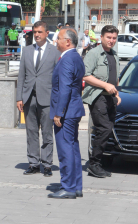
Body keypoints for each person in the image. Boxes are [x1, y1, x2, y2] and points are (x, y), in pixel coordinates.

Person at [16, 21, 61, 177]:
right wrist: (19, 97)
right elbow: (21, 75)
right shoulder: (27, 51)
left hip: (47, 99)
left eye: (40, 32)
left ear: (47, 33)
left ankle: (47, 164)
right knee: (31, 132)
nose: (36, 35)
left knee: (47, 133)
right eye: (35, 32)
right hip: (29, 98)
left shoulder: (55, 52)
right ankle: (33, 163)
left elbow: (58, 78)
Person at [48, 27, 85, 199]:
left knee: (65, 150)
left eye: (59, 38)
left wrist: (58, 113)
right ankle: (76, 186)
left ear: (68, 42)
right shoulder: (75, 57)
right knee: (72, 148)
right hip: (73, 109)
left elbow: (65, 89)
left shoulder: (67, 59)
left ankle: (68, 187)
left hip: (66, 112)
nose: (56, 41)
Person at [83, 25, 121, 178]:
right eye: (108, 37)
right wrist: (105, 85)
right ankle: (94, 164)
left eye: (114, 38)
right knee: (104, 128)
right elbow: (85, 76)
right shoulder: (93, 54)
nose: (111, 41)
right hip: (97, 96)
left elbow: (115, 77)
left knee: (108, 128)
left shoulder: (114, 54)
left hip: (110, 97)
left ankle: (100, 162)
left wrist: (117, 93)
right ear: (101, 37)